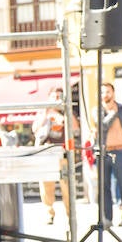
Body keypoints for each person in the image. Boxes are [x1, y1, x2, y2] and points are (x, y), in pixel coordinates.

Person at [33, 93, 75, 225]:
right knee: (46, 186)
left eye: (59, 96)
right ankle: (49, 213)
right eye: (54, 97)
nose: (56, 99)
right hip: (46, 153)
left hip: (62, 153)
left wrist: (65, 114)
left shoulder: (66, 112)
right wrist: (47, 112)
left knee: (67, 186)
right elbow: (35, 129)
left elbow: (75, 127)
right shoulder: (43, 113)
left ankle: (70, 214)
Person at [99, 82, 122, 227]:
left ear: (113, 93)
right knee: (104, 187)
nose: (105, 94)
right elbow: (103, 126)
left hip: (121, 151)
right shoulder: (98, 111)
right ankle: (107, 219)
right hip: (103, 152)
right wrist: (112, 114)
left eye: (108, 91)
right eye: (102, 92)